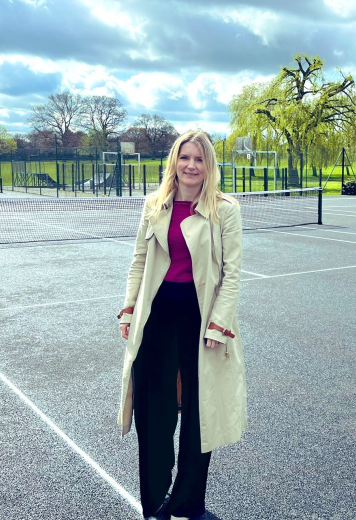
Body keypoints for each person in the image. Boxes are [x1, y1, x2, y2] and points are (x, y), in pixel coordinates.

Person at [116, 130, 247, 520]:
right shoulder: (154, 205)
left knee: (198, 415)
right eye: (184, 157)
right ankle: (155, 504)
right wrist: (128, 309)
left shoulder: (225, 210)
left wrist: (218, 324)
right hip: (155, 318)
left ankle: (189, 502)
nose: (191, 166)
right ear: (174, 161)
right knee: (153, 415)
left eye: (199, 159)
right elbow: (139, 261)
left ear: (209, 166)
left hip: (202, 321)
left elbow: (232, 274)